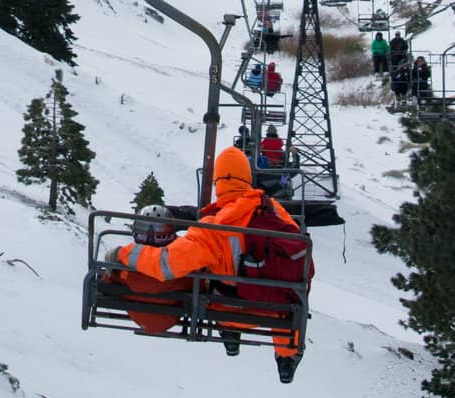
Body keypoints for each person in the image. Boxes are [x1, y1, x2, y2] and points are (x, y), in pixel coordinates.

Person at [113, 147, 310, 382]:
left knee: (209, 276)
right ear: (246, 177)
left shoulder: (214, 228)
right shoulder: (275, 211)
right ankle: (287, 356)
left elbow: (167, 264)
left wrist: (122, 254)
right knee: (278, 288)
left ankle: (229, 330)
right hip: (282, 314)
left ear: (218, 182)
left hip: (231, 308)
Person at [103, 205, 192, 335]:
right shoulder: (180, 265)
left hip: (137, 313)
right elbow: (198, 287)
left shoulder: (124, 266)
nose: (149, 241)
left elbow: (107, 282)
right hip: (168, 317)